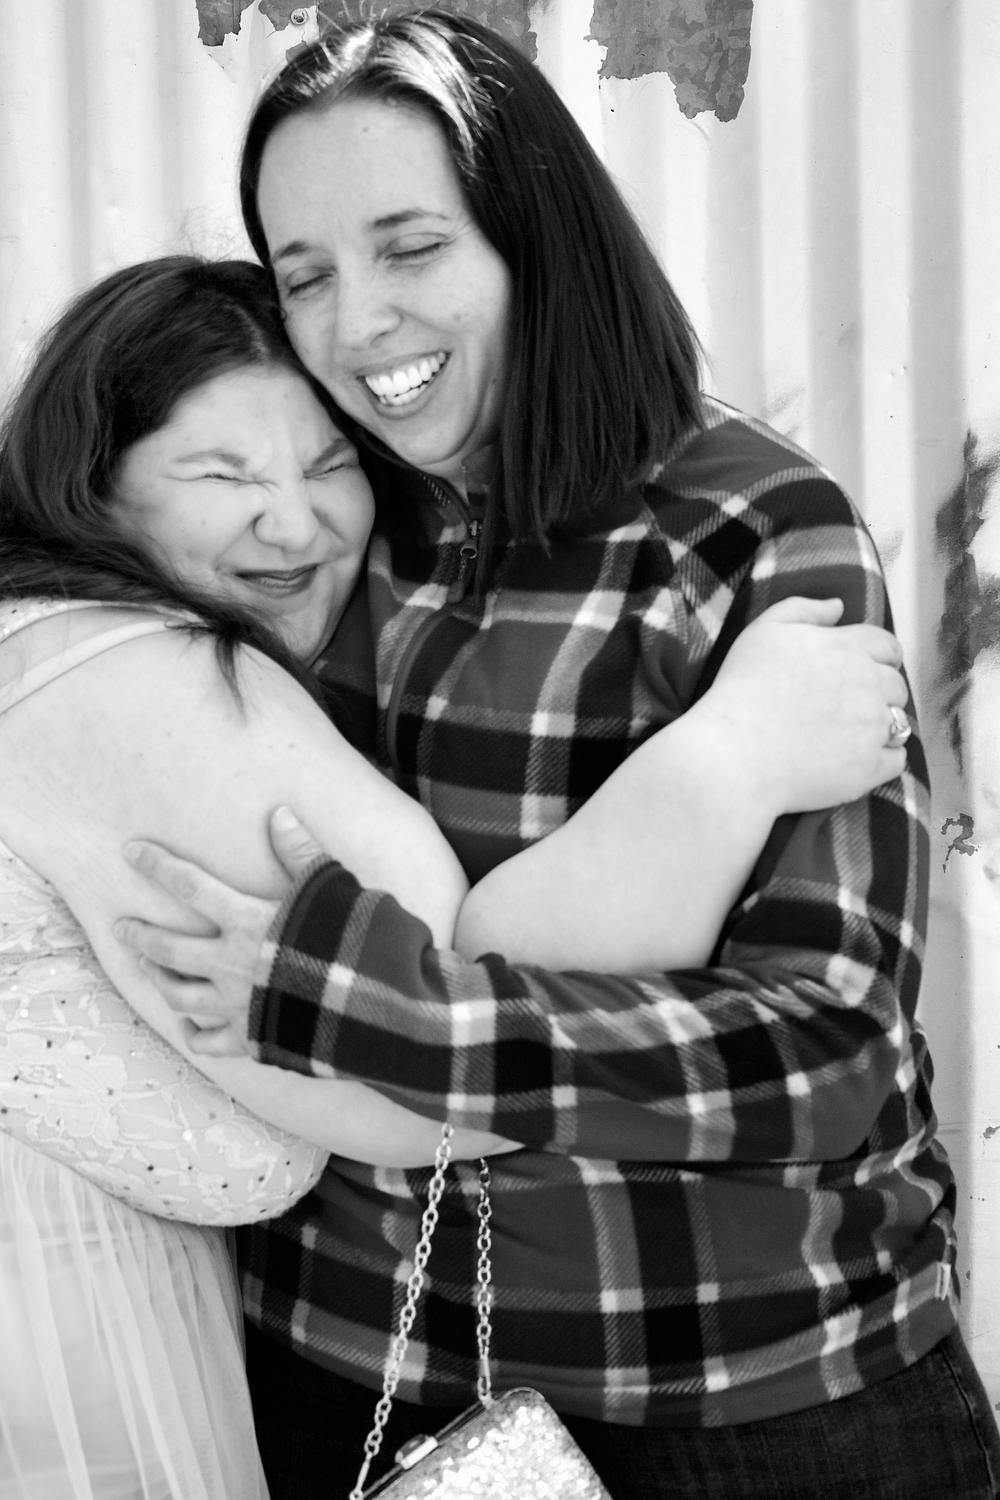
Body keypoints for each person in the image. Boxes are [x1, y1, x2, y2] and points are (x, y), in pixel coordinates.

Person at [111, 11, 1000, 1500]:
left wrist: (361, 1005)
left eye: (411, 247)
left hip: (754, 1402)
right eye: (304, 274)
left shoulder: (743, 527)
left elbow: (821, 1059)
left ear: (536, 238)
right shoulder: (311, 536)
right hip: (360, 1378)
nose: (356, 323)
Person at [0, 256, 908, 1500]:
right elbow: (424, 1079)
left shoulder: (741, 514)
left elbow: (831, 1039)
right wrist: (724, 764)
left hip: (733, 1369)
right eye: (221, 475)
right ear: (86, 485)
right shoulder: (140, 683)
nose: (295, 523)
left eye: (330, 465)